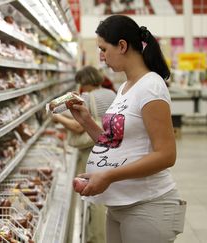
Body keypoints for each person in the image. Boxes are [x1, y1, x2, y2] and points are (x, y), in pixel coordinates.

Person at [69, 15, 186, 243]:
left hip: (148, 205)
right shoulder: (124, 87)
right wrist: (86, 122)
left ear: (122, 46)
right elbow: (112, 143)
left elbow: (166, 155)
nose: (101, 58)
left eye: (103, 49)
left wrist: (109, 176)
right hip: (119, 204)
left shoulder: (151, 86)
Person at [53, 65, 115, 243]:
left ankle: (96, 236)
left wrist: (57, 117)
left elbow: (78, 127)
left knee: (93, 196)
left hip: (91, 151)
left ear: (84, 82)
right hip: (109, 148)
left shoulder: (86, 98)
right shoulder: (111, 93)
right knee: (106, 192)